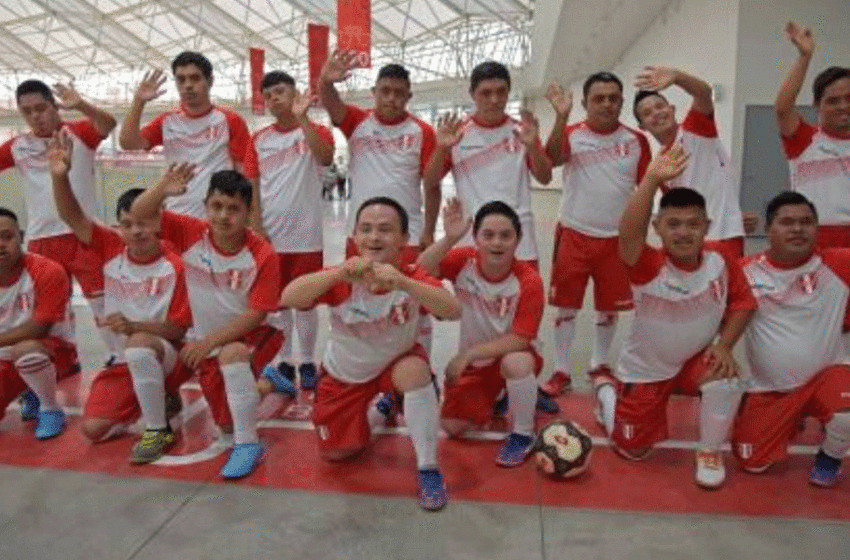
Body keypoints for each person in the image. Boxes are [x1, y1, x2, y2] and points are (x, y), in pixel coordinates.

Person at [280, 197, 461, 511]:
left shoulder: (410, 275)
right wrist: (336, 275)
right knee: (336, 453)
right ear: (353, 237)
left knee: (415, 371)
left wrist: (404, 283)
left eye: (385, 230)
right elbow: (289, 296)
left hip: (396, 365)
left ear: (404, 239)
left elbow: (453, 310)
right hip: (345, 376)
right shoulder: (342, 277)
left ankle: (428, 468)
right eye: (366, 229)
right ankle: (383, 406)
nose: (374, 237)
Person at [612, 145, 756, 488]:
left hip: (695, 361)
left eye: (693, 224)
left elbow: (744, 303)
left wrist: (725, 346)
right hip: (646, 368)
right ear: (658, 228)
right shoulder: (648, 265)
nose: (683, 232)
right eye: (673, 224)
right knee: (634, 450)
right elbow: (629, 234)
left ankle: (709, 451)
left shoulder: (721, 258)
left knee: (727, 378)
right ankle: (608, 397)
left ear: (706, 227)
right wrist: (650, 180)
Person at [48, 132, 191, 463]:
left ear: (159, 221)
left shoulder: (177, 262)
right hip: (129, 358)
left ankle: (158, 429)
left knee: (140, 342)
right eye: (127, 224)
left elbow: (179, 331)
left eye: (144, 222)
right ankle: (156, 394)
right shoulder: (111, 248)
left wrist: (133, 326)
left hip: (175, 356)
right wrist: (59, 176)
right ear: (119, 227)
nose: (136, 231)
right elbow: (73, 216)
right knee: (94, 430)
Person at [131, 167, 282, 479]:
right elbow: (140, 213)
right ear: (206, 206)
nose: (224, 216)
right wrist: (162, 187)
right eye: (217, 206)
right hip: (208, 340)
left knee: (232, 356)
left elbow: (257, 315)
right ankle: (266, 383)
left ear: (248, 212)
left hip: (256, 335)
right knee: (225, 422)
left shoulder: (262, 254)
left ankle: (248, 444)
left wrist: (208, 343)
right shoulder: (190, 233)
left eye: (233, 208)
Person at [540, 72, 651, 402]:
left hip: (617, 240)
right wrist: (561, 117)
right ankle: (561, 370)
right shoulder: (572, 134)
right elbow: (552, 159)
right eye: (598, 98)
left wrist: (643, 235)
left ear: (621, 101)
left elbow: (648, 186)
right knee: (565, 308)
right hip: (574, 233)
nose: (606, 104)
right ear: (586, 103)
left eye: (613, 98)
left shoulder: (636, 141)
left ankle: (600, 364)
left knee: (609, 309)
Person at [0, 79, 118, 386]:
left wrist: (80, 104)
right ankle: (63, 362)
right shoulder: (18, 146)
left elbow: (109, 123)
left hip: (82, 234)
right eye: (27, 112)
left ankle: (117, 357)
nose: (35, 116)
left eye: (41, 108)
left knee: (101, 304)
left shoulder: (78, 133)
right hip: (40, 242)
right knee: (49, 313)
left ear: (54, 106)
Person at [733, 192, 850, 488]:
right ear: (769, 229)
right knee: (752, 463)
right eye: (787, 222)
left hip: (828, 376)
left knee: (846, 418)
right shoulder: (743, 271)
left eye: (806, 222)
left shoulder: (839, 263)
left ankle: (829, 458)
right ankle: (782, 417)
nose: (798, 229)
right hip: (771, 388)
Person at [418, 199, 544, 467]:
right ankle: (500, 395)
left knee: (517, 362)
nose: (496, 243)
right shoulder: (464, 261)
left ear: (518, 239)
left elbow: (521, 338)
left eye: (505, 235)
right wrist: (448, 239)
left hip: (511, 354)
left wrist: (468, 354)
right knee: (452, 426)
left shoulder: (529, 280)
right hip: (478, 365)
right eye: (488, 235)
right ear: (475, 238)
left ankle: (523, 433)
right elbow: (420, 270)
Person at [243, 70, 334, 393]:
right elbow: (252, 184)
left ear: (295, 93)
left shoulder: (317, 130)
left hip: (307, 235)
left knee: (306, 302)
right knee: (277, 304)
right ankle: (283, 359)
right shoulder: (259, 140)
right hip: (271, 235)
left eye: (280, 91)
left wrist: (303, 118)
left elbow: (325, 157)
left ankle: (308, 360)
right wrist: (256, 225)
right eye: (268, 95)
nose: (274, 99)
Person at [423, 60, 551, 265]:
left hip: (519, 238)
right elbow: (430, 180)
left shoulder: (522, 131)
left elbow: (545, 178)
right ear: (473, 94)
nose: (494, 99)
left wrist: (533, 147)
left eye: (501, 92)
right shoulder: (458, 134)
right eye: (486, 93)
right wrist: (441, 149)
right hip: (471, 237)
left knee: (523, 295)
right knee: (469, 297)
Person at [318, 52, 439, 257]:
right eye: (385, 91)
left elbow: (432, 186)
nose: (391, 98)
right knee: (359, 288)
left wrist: (428, 232)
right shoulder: (357, 121)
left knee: (403, 287)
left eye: (399, 93)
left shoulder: (423, 132)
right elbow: (331, 103)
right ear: (374, 92)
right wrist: (325, 81)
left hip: (407, 235)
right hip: (362, 233)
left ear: (408, 97)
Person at [633, 66, 750, 257]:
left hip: (723, 235)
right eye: (647, 113)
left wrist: (677, 77)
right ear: (642, 126)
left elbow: (704, 93)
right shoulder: (660, 165)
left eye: (659, 106)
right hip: (689, 243)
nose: (656, 113)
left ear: (671, 109)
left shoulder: (695, 129)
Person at [119, 51, 251, 218]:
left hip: (218, 218)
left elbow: (244, 172)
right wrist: (139, 101)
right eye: (181, 80)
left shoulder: (230, 120)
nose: (187, 85)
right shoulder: (166, 121)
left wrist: (245, 216)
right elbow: (128, 143)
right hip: (176, 214)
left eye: (195, 78)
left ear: (210, 81)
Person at [0, 207, 75, 440]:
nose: (0, 244)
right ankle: (29, 388)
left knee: (28, 349)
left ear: (21, 237)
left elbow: (39, 328)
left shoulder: (48, 271)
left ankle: (50, 408)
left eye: (7, 236)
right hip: (3, 354)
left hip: (52, 349)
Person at [775, 21, 850, 248]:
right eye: (833, 101)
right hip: (817, 244)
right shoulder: (805, 140)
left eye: (849, 99)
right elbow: (782, 108)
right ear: (817, 105)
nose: (843, 106)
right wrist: (804, 57)